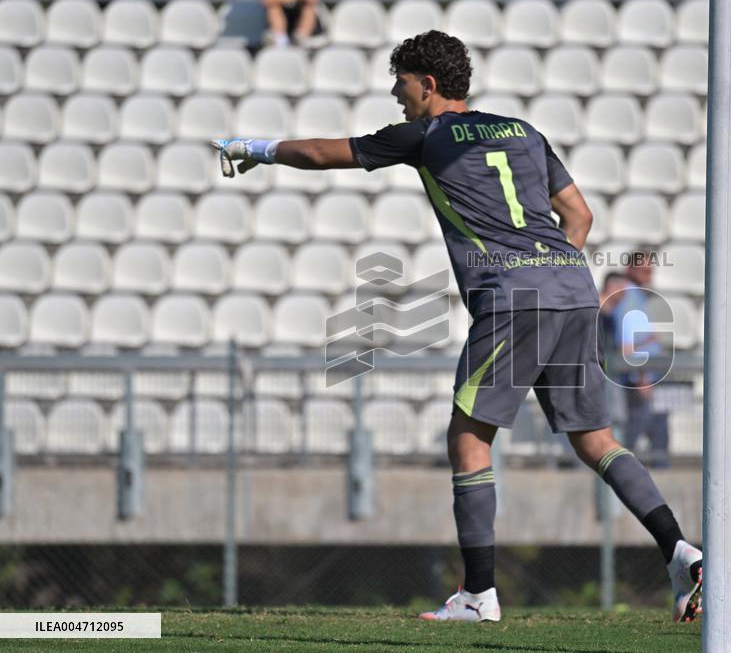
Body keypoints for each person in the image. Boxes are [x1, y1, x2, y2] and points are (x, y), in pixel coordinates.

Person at [211, 30, 703, 624]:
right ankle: (679, 550)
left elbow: (321, 155)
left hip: (514, 299)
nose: (396, 92)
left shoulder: (427, 134)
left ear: (429, 83)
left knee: (469, 439)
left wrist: (255, 148)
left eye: (402, 81)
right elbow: (580, 214)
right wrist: (548, 271)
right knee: (595, 439)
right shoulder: (524, 131)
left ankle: (478, 594)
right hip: (572, 290)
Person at [611, 257, 670, 469]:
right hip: (640, 375)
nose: (649, 276)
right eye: (644, 271)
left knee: (654, 426)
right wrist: (641, 377)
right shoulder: (628, 298)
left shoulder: (636, 296)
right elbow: (628, 347)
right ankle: (620, 467)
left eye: (650, 271)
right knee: (639, 427)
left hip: (646, 373)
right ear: (630, 269)